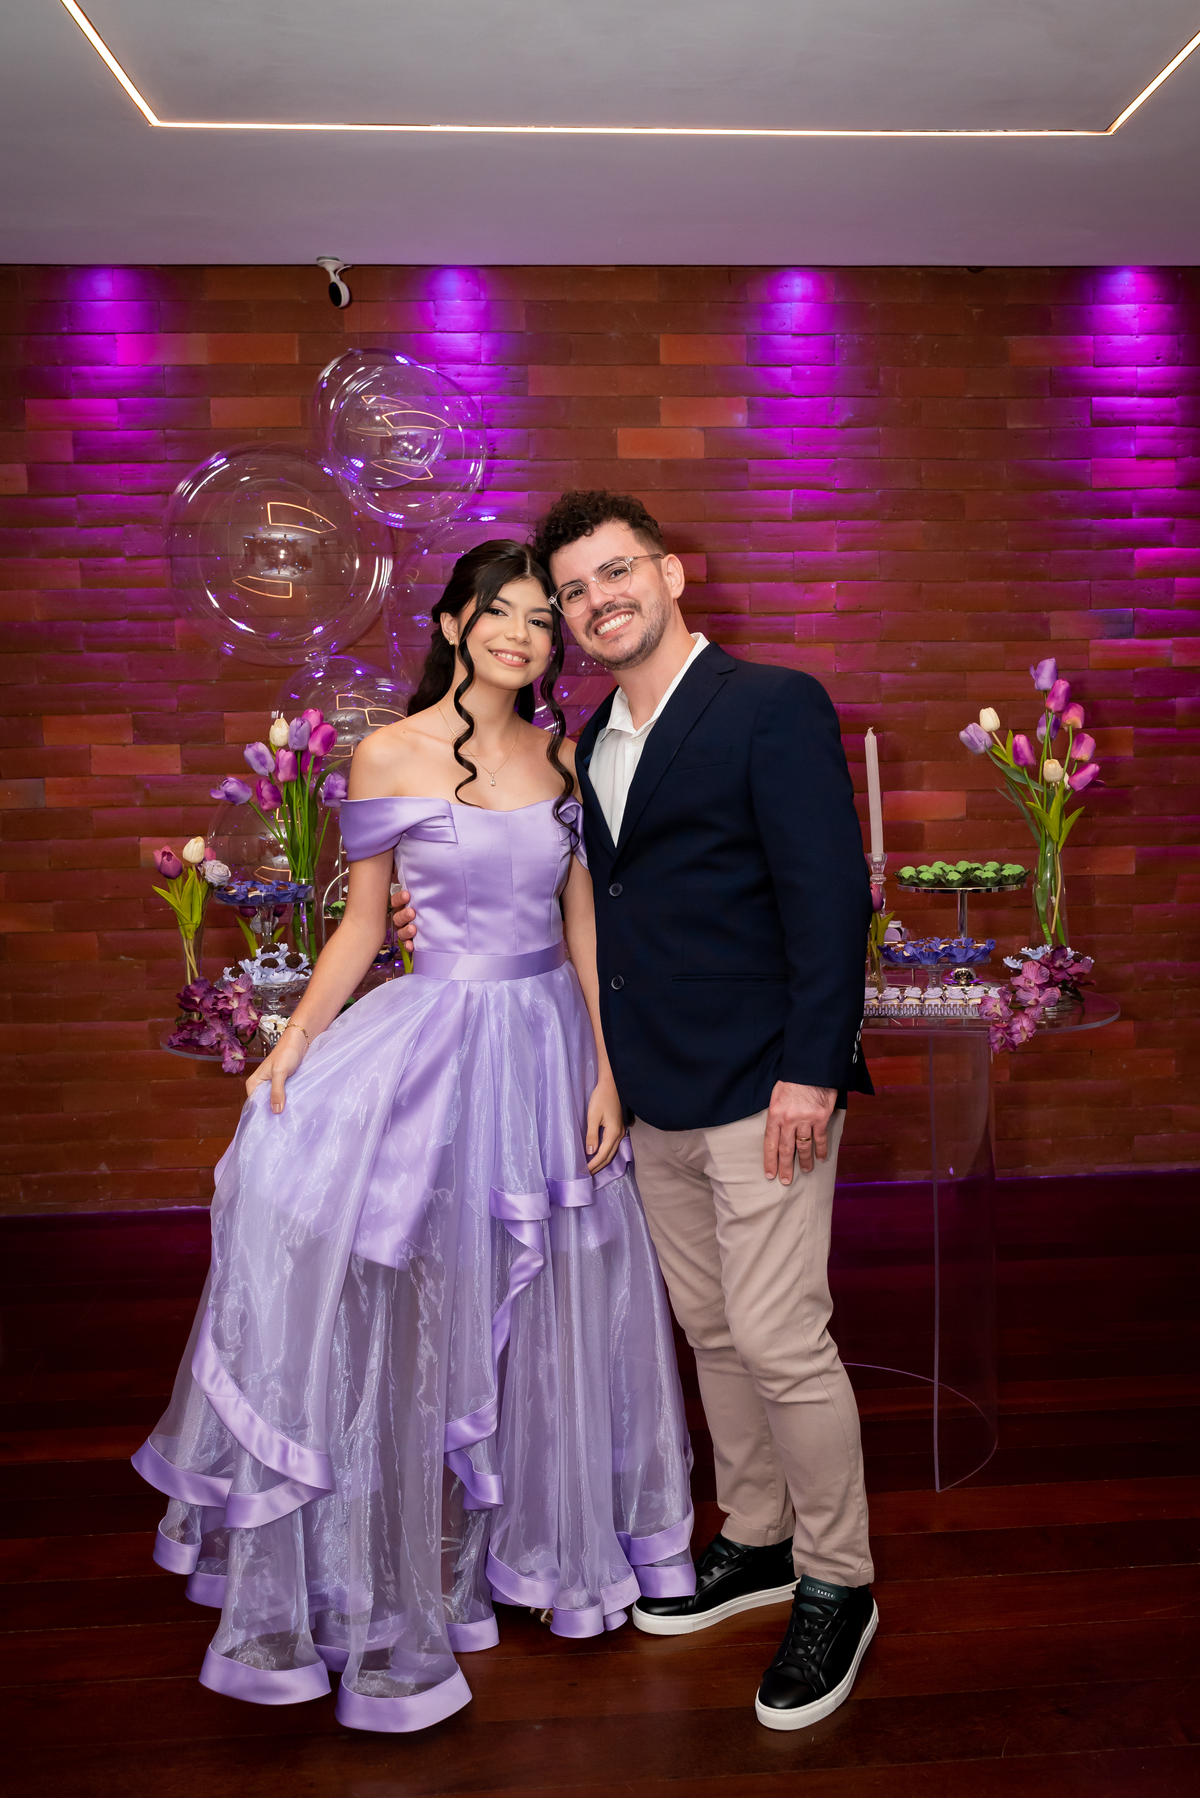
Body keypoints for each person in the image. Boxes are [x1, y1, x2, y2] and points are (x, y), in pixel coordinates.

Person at [132, 540, 694, 1734]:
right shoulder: (387, 752)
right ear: (450, 625)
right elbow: (359, 927)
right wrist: (292, 1043)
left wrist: (606, 1067)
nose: (523, 636)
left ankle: (536, 1551)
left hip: (547, 1044)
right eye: (500, 614)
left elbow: (583, 923)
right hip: (439, 1039)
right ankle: (398, 1557)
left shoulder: (563, 754)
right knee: (421, 1289)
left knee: (553, 1296)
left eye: (541, 619)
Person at [394, 493, 877, 1731]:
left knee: (780, 1337)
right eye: (575, 590)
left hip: (766, 1084)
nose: (596, 601)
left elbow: (830, 901)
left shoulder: (770, 703)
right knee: (712, 1330)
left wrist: (813, 1070)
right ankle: (758, 1539)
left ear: (670, 572)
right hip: (648, 1090)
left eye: (616, 572)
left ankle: (839, 1578)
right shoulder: (590, 736)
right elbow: (574, 900)